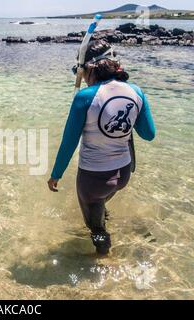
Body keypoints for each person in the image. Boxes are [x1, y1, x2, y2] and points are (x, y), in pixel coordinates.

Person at [48, 40, 156, 255]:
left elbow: (68, 143)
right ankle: (102, 217)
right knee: (101, 205)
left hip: (93, 179)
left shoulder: (85, 97)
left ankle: (103, 258)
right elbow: (148, 134)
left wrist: (55, 174)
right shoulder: (136, 91)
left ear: (88, 68)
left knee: (95, 228)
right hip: (123, 173)